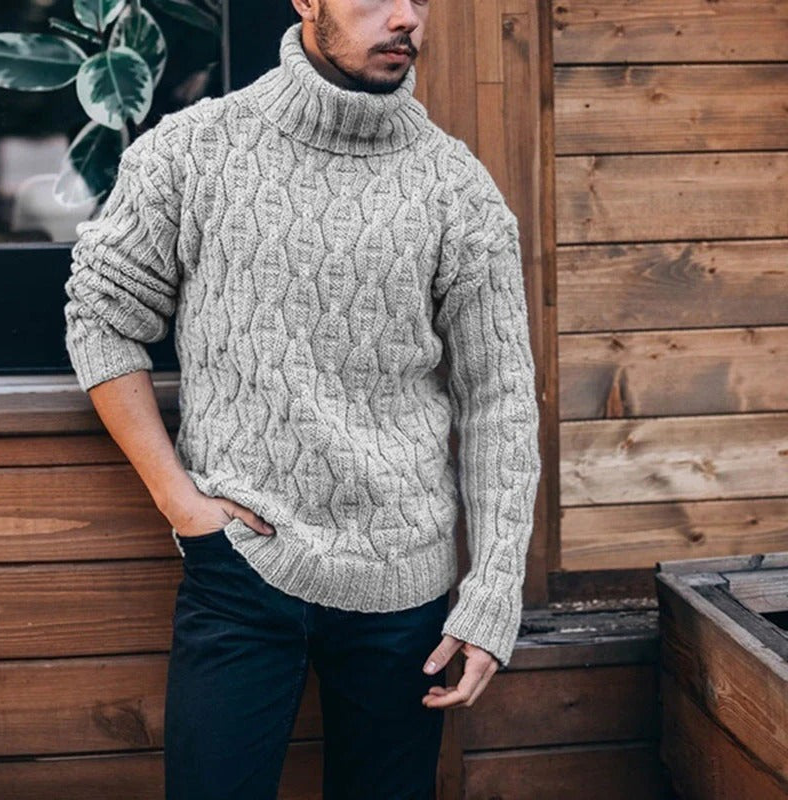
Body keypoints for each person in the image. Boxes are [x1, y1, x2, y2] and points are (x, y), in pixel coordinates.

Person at [63, 0, 541, 797]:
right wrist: (180, 501)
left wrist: (492, 593)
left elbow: (500, 398)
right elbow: (101, 317)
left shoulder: (456, 187)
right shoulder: (194, 149)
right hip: (239, 568)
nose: (405, 18)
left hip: (404, 589)